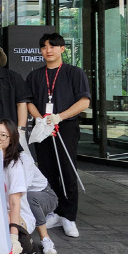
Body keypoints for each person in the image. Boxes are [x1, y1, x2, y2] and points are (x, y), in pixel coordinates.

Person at [26, 33, 90, 238]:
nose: (48, 50)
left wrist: (59, 117)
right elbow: (28, 102)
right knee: (47, 171)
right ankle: (54, 210)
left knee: (67, 170)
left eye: (53, 46)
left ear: (62, 49)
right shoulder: (35, 75)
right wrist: (42, 119)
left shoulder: (74, 72)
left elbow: (84, 102)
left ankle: (69, 216)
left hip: (66, 126)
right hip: (43, 127)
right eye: (44, 47)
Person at [0, 118, 36, 254]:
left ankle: (10, 250)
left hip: (16, 215)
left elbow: (15, 203)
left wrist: (13, 237)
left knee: (1, 215)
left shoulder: (15, 165)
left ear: (11, 139)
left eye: (3, 135)